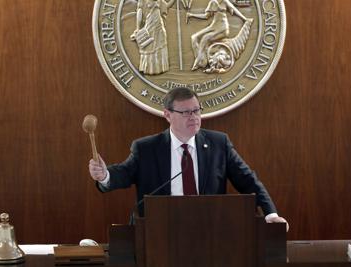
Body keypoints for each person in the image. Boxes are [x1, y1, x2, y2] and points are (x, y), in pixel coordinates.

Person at [89, 87, 288, 229]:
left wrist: (270, 214)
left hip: (210, 231)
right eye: (185, 112)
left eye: (196, 110)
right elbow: (123, 173)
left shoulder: (219, 143)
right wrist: (105, 175)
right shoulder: (146, 148)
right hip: (159, 232)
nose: (193, 117)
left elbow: (248, 180)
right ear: (167, 115)